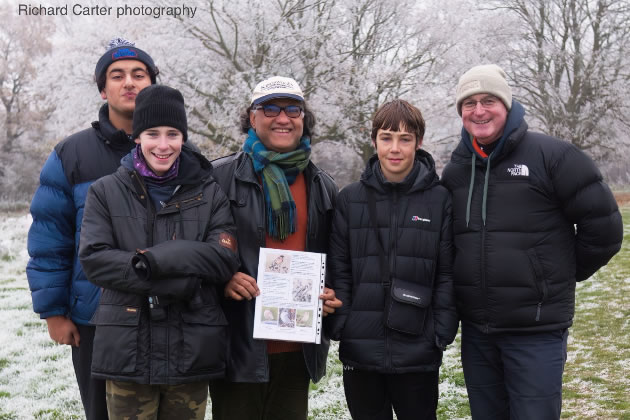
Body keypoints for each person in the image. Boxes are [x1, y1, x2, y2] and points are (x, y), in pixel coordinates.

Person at [441, 64, 624, 419]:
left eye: (489, 100)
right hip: (478, 333)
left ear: (507, 105)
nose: (479, 111)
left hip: (535, 332)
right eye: (469, 103)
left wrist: (553, 277)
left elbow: (604, 229)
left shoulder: (553, 156)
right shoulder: (457, 169)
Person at [78, 85, 240, 419]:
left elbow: (223, 258)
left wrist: (151, 261)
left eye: (173, 134)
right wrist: (176, 280)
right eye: (152, 133)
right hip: (128, 351)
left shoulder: (210, 192)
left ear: (184, 137)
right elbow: (95, 260)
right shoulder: (105, 191)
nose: (163, 145)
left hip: (190, 350)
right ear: (137, 136)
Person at [26, 38, 158, 420]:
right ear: (103, 89)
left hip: (166, 312)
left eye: (139, 74)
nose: (129, 83)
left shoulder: (176, 148)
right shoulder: (72, 154)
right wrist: (54, 312)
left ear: (153, 84)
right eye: (117, 76)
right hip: (95, 318)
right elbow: (50, 238)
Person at [209, 76, 342, 420]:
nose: (283, 118)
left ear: (303, 118)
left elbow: (336, 258)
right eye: (270, 108)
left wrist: (331, 294)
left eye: (292, 109)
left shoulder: (322, 184)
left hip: (297, 348)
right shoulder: (218, 178)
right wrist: (223, 277)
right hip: (238, 345)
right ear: (252, 118)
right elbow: (195, 250)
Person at [327, 99, 458, 420]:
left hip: (419, 347)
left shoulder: (439, 199)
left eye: (405, 138)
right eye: (387, 137)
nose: (395, 148)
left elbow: (447, 273)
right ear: (374, 141)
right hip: (361, 348)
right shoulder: (350, 198)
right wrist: (343, 324)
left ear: (419, 142)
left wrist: (440, 333)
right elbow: (339, 267)